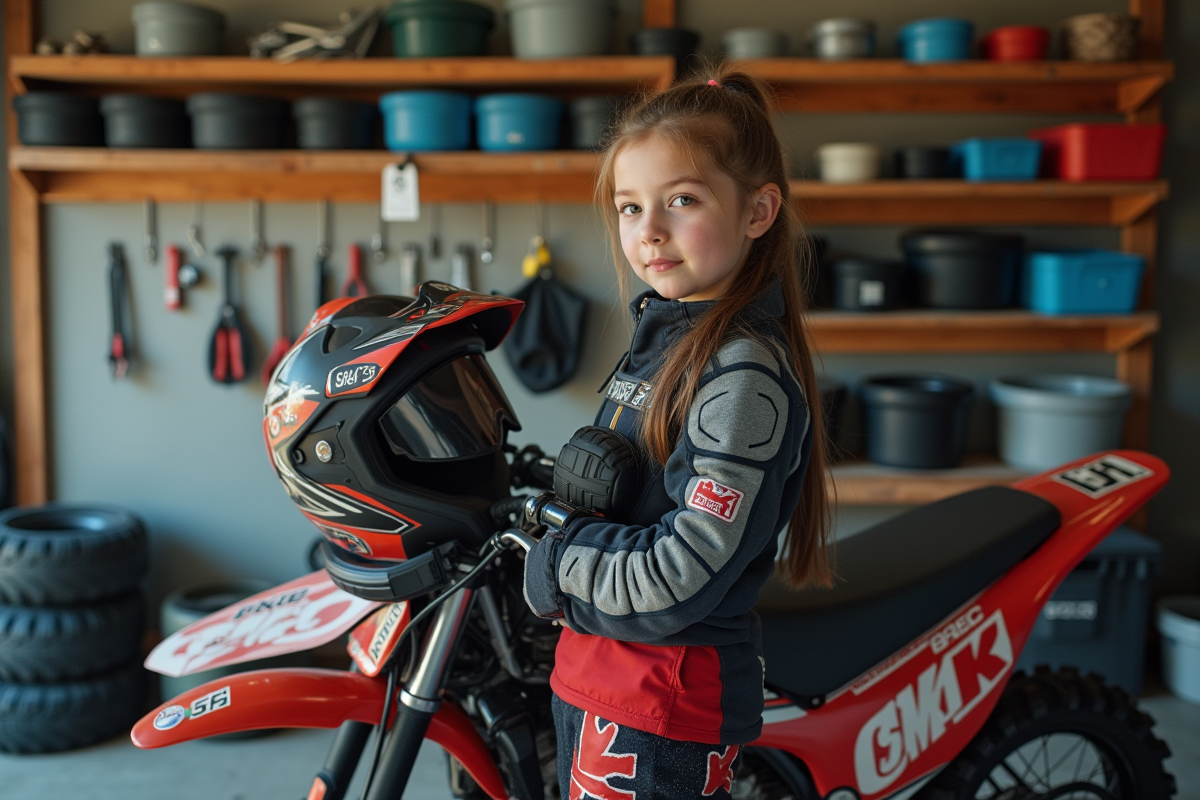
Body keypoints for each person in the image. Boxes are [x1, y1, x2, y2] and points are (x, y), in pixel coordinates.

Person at [520, 63, 833, 799]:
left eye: (681, 200)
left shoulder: (742, 377)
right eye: (629, 208)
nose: (648, 231)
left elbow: (678, 575)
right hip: (603, 674)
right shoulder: (667, 332)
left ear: (758, 212)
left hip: (661, 696)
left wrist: (553, 565)